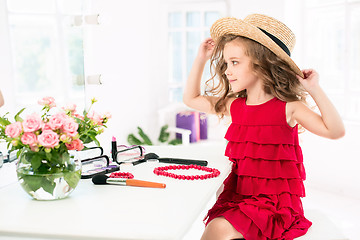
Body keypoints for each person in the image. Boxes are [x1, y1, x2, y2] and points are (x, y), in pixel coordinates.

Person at [183, 14, 345, 240]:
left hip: (274, 206)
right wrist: (201, 59)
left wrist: (314, 89)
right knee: (217, 225)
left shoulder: (289, 108)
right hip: (239, 198)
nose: (228, 70)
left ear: (262, 64)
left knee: (218, 228)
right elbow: (191, 99)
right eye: (226, 63)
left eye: (235, 62)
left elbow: (335, 131)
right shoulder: (234, 105)